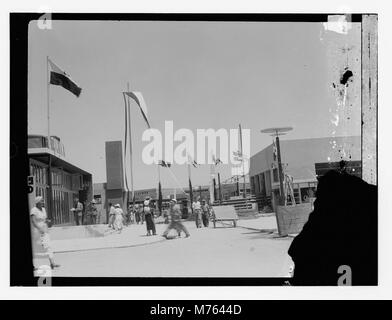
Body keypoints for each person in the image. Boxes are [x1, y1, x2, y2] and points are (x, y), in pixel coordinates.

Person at [30, 196, 60, 269]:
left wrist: (48, 221)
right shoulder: (34, 210)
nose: (43, 202)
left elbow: (44, 219)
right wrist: (39, 228)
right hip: (37, 231)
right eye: (41, 201)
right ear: (37, 202)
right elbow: (33, 221)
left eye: (43, 201)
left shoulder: (43, 209)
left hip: (45, 230)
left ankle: (52, 263)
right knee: (36, 248)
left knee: (48, 246)